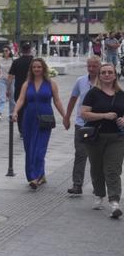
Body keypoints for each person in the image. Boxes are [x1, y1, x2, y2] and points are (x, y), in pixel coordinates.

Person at [12, 58, 66, 190]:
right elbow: (20, 99)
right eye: (34, 67)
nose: (37, 69)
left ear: (44, 68)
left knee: (40, 149)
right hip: (29, 118)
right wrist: (15, 111)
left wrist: (65, 116)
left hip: (45, 118)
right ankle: (38, 175)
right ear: (31, 69)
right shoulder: (27, 84)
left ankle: (35, 177)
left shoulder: (51, 83)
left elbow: (57, 101)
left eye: (39, 67)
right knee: (29, 148)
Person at [80, 63, 124, 219]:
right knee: (97, 168)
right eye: (103, 72)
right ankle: (99, 194)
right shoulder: (93, 93)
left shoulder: (121, 94)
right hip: (95, 137)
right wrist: (104, 115)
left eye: (110, 72)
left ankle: (114, 203)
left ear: (115, 75)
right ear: (99, 76)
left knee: (113, 170)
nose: (107, 75)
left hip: (117, 138)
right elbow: (84, 113)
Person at [63, 56, 101, 195]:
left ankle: (98, 186)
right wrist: (67, 117)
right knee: (80, 154)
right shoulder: (80, 81)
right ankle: (77, 184)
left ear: (99, 66)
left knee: (97, 157)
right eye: (89, 66)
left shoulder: (105, 81)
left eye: (94, 66)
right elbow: (73, 99)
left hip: (99, 125)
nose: (91, 69)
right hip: (82, 124)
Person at [8, 42, 35, 136]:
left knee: (20, 109)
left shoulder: (16, 62)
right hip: (33, 88)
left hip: (19, 88)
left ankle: (21, 130)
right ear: (30, 50)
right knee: (31, 108)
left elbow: (10, 77)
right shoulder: (35, 62)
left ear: (21, 51)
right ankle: (30, 128)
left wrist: (8, 89)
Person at [0, 46, 14, 120]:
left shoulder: (13, 60)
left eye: (6, 51)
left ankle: (12, 113)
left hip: (12, 79)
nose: (5, 52)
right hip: (2, 79)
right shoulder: (0, 59)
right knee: (2, 97)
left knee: (12, 97)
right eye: (4, 51)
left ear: (10, 51)